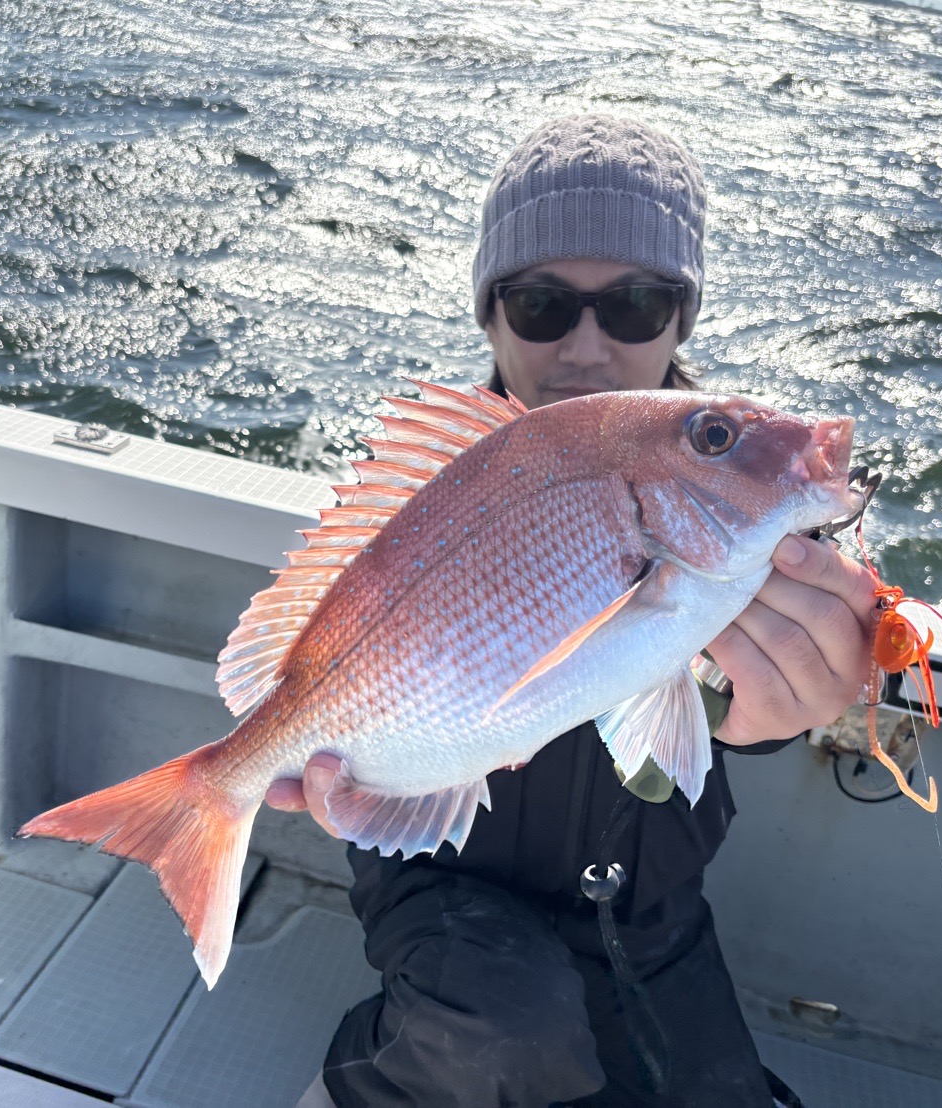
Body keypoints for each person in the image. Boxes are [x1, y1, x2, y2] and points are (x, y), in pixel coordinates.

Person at [269, 115, 879, 1107]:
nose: (586, 347)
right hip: (444, 877)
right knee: (501, 1042)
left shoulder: (745, 499)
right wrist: (341, 768)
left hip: (647, 909)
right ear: (489, 316)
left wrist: (794, 696)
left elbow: (743, 679)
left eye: (635, 306)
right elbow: (357, 648)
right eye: (541, 304)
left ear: (681, 321)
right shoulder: (427, 495)